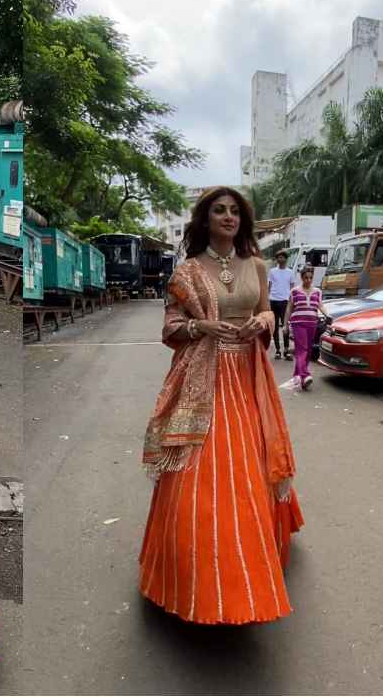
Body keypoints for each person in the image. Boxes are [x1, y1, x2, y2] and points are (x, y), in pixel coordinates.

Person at [139, 186, 305, 625]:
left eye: (235, 211)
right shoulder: (189, 271)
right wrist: (200, 326)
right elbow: (171, 328)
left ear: (242, 221)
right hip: (204, 380)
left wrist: (262, 322)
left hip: (248, 377)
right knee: (199, 469)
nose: (228, 217)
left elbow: (270, 312)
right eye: (219, 210)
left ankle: (251, 569)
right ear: (205, 219)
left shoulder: (258, 265)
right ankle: (191, 579)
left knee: (252, 463)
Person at [287, 265, 323, 390]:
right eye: (306, 277)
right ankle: (305, 374)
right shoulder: (295, 291)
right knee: (302, 350)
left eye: (310, 277)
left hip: (312, 323)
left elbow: (320, 306)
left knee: (308, 350)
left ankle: (299, 377)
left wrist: (327, 314)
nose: (308, 280)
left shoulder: (318, 291)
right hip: (298, 323)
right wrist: (285, 325)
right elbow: (289, 308)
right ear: (301, 277)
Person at [267, 251, 296, 360]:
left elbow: (292, 288)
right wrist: (267, 300)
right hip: (273, 300)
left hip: (285, 301)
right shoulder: (272, 271)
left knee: (285, 326)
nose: (280, 259)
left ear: (286, 259)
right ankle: (278, 350)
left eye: (282, 257)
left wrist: (292, 302)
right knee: (274, 328)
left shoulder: (290, 272)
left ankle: (286, 350)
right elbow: (269, 287)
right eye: (278, 257)